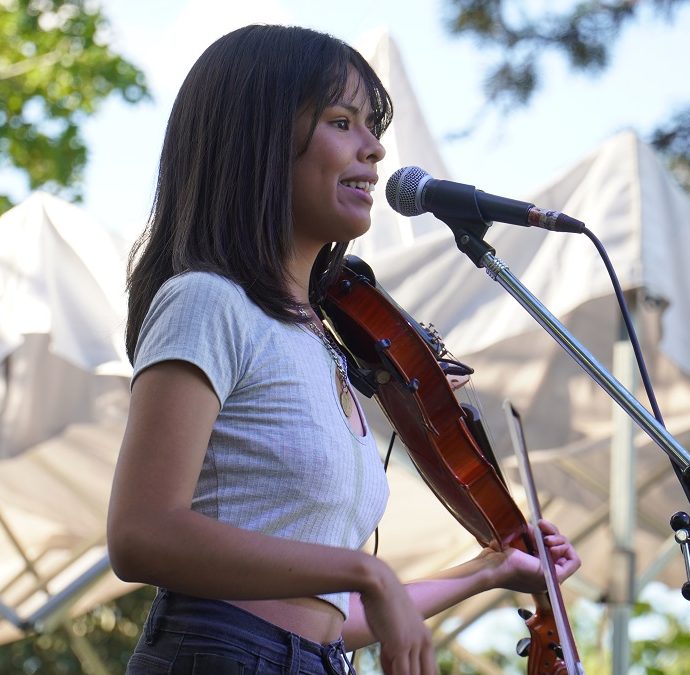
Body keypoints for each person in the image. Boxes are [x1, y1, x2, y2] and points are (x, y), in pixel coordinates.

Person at [107, 24, 581, 675]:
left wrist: (489, 567)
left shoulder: (323, 342)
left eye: (372, 125)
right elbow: (141, 535)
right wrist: (367, 571)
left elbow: (326, 615)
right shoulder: (207, 301)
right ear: (260, 143)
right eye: (342, 121)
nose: (375, 148)